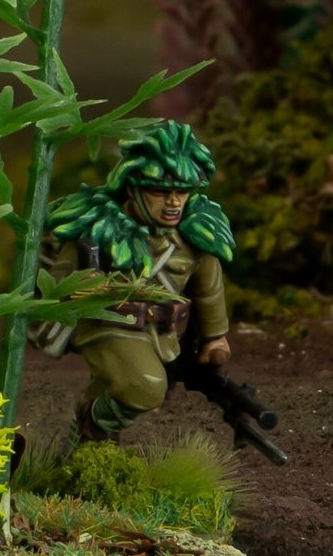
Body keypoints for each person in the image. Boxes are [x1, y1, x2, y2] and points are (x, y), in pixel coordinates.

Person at [46, 119, 236, 444]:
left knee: (120, 386)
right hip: (105, 322)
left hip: (161, 334)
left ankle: (87, 443)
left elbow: (209, 289)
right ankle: (93, 429)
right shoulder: (102, 227)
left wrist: (215, 336)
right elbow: (61, 279)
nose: (174, 202)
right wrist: (91, 284)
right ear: (132, 187)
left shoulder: (194, 237)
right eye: (161, 192)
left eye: (182, 192)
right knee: (145, 385)